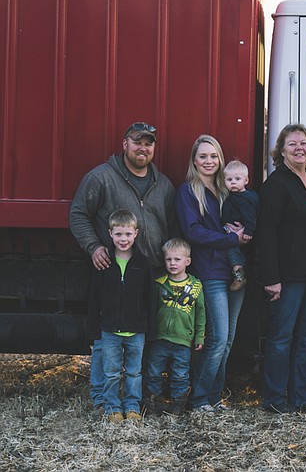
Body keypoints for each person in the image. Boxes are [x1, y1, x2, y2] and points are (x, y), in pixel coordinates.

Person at [69, 121, 175, 418]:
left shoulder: (163, 184)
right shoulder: (102, 177)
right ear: (125, 143)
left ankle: (136, 400)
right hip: (113, 272)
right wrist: (94, 246)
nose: (143, 148)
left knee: (143, 340)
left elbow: (171, 226)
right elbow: (78, 213)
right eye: (137, 142)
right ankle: (103, 401)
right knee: (106, 343)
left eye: (149, 143)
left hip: (150, 274)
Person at [257, 124, 306, 414]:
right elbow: (266, 234)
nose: (299, 148)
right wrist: (272, 278)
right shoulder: (276, 185)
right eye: (292, 144)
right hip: (288, 278)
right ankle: (275, 399)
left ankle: (303, 397)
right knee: (281, 339)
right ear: (281, 151)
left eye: (303, 143)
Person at [176, 135, 247, 413]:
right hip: (209, 272)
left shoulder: (228, 190)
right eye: (203, 156)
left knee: (228, 340)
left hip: (234, 271)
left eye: (214, 156)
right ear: (194, 160)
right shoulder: (188, 192)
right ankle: (199, 399)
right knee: (216, 338)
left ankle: (214, 398)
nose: (209, 161)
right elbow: (192, 231)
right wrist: (231, 240)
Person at [86, 209, 155, 422]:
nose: (123, 239)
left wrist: (149, 329)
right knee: (112, 372)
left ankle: (132, 406)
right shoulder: (104, 263)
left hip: (136, 330)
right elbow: (94, 298)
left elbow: (150, 299)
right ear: (110, 233)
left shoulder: (143, 264)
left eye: (127, 234)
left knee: (134, 372)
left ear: (136, 233)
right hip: (110, 330)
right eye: (118, 234)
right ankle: (113, 407)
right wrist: (93, 330)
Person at [143, 238, 206, 417]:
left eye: (177, 259)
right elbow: (151, 309)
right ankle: (151, 405)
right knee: (153, 372)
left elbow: (200, 312)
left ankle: (178, 406)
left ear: (188, 261)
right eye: (168, 259)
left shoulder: (195, 286)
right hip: (160, 338)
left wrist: (199, 336)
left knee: (180, 375)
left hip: (183, 340)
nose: (172, 263)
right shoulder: (160, 283)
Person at [221, 160, 259, 292]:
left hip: (240, 233)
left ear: (246, 180)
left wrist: (248, 231)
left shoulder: (245, 198)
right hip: (230, 230)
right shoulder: (233, 196)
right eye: (229, 179)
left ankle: (239, 274)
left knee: (233, 249)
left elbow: (250, 216)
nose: (233, 182)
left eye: (237, 179)